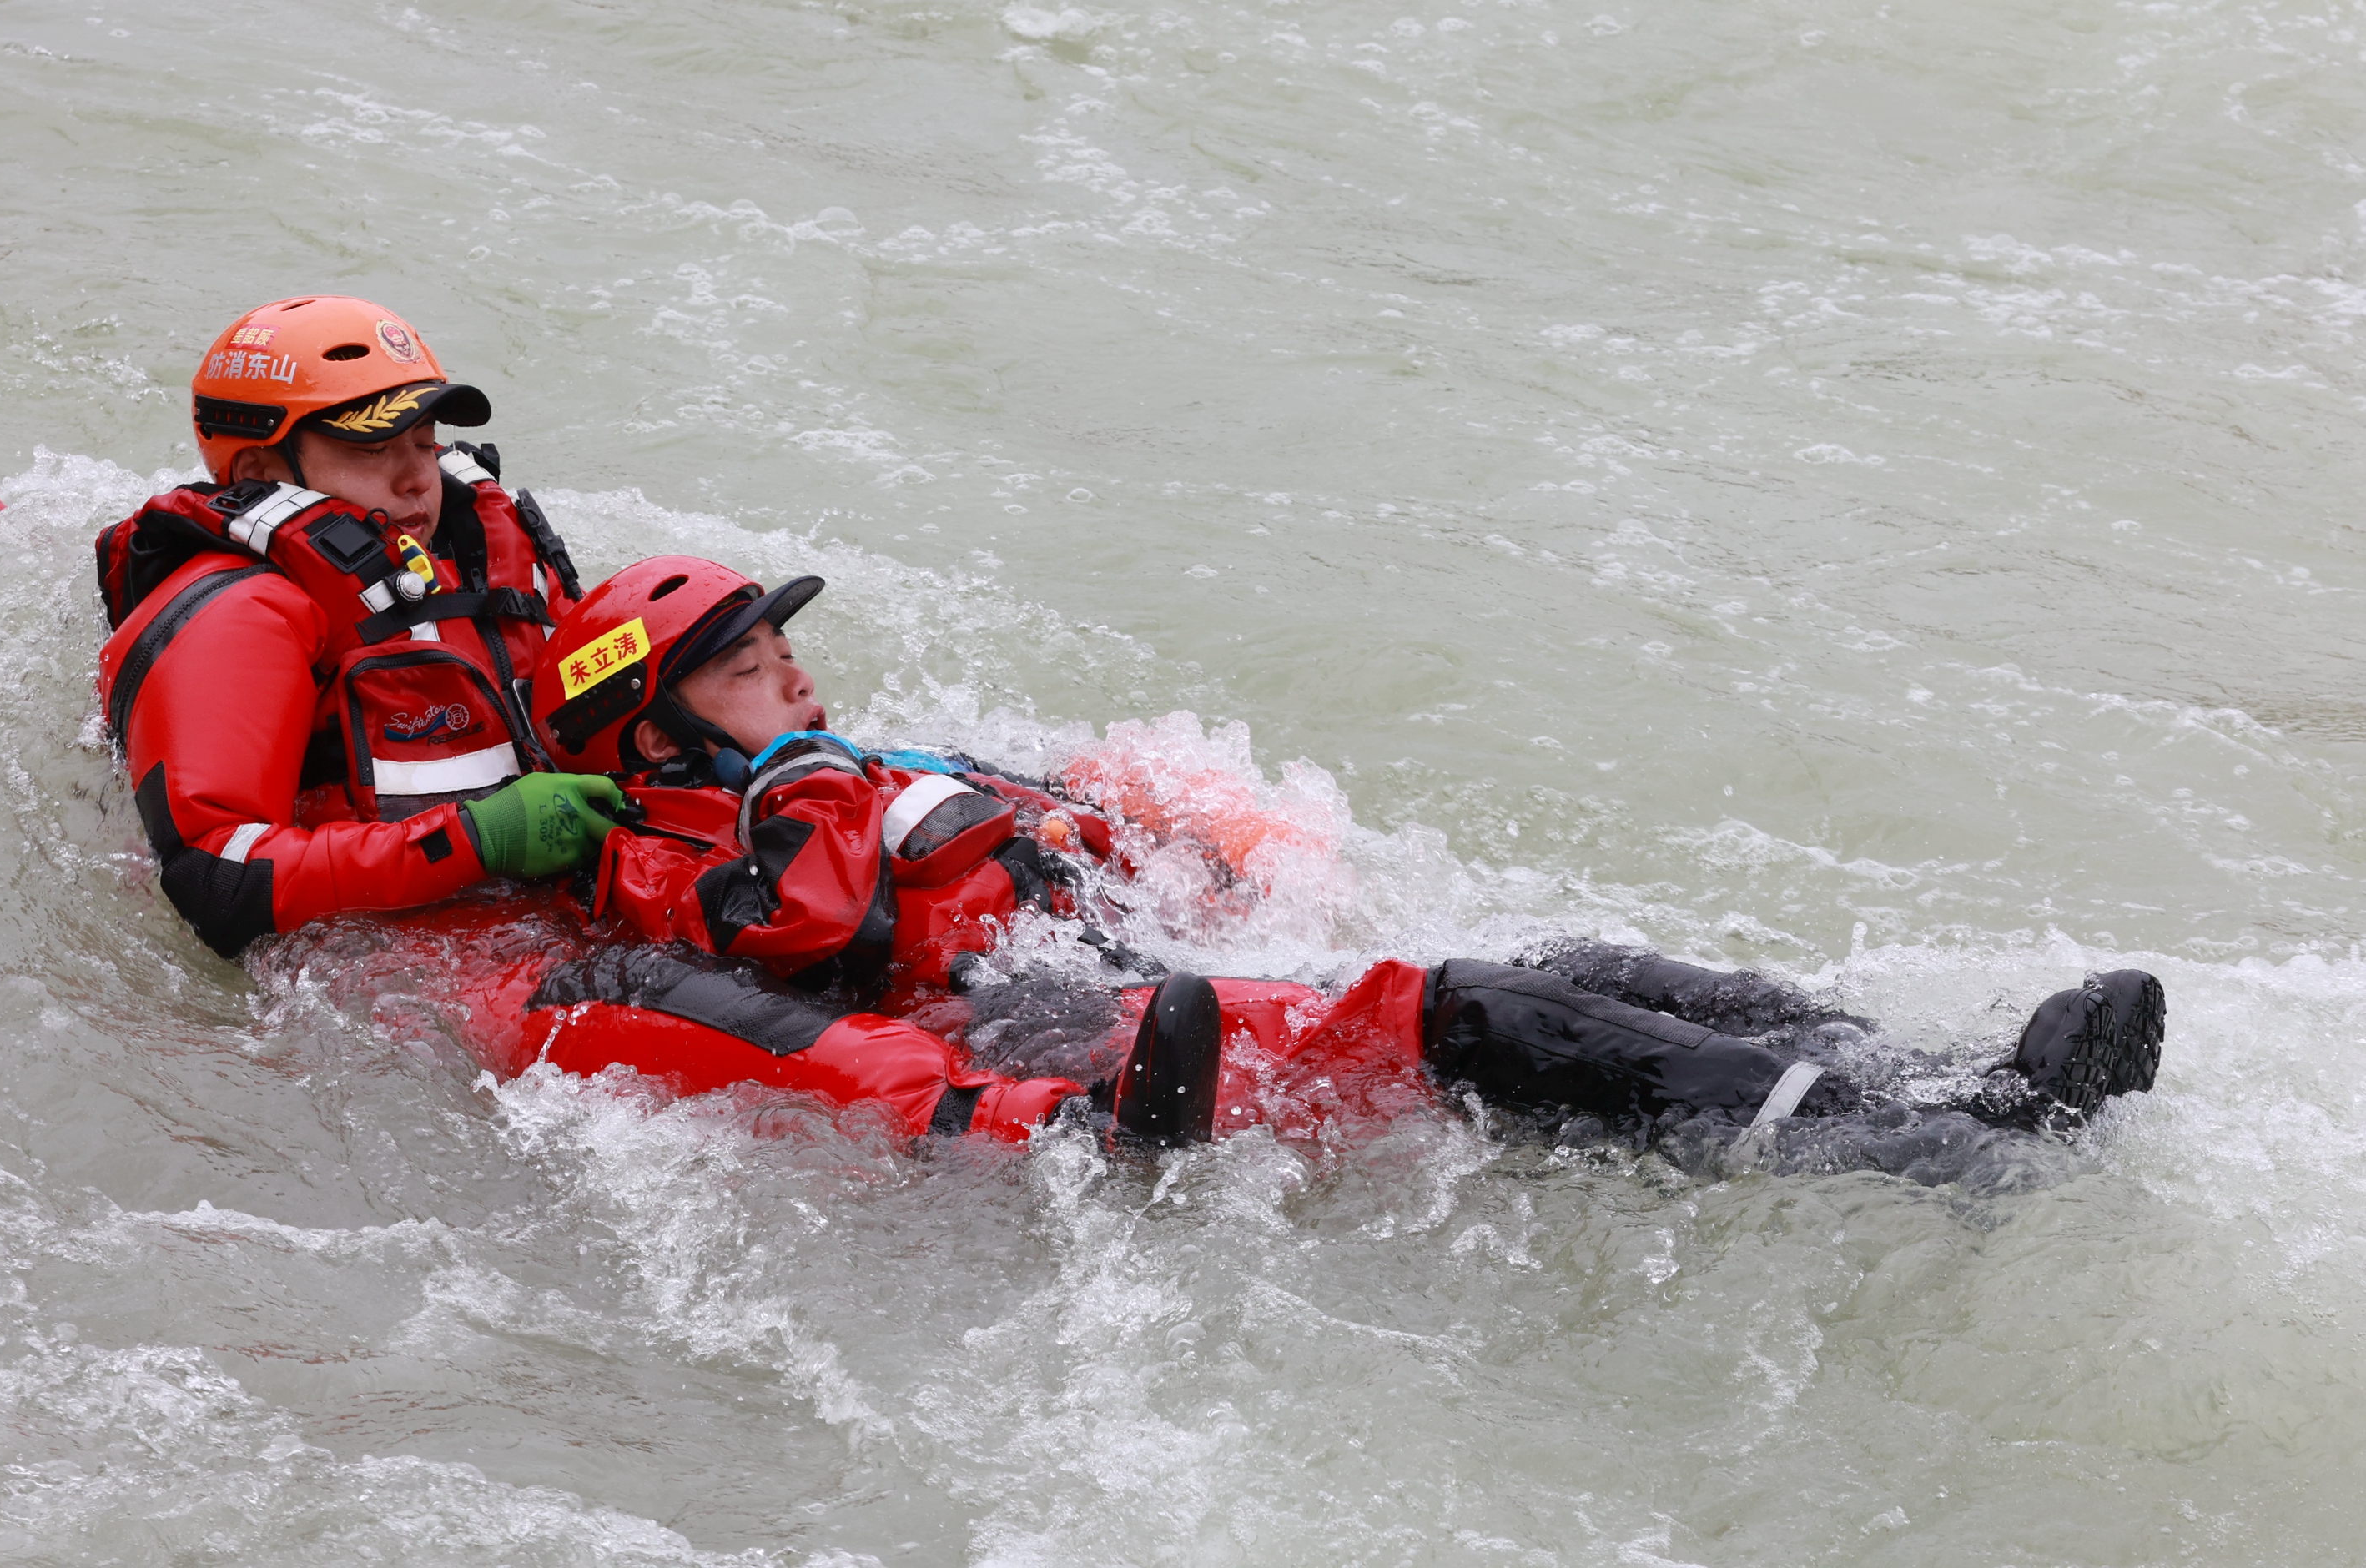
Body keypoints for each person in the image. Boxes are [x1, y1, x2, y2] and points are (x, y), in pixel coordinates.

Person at [451, 556, 2165, 1174]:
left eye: (784, 655)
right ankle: (1943, 1151)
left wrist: (1205, 851)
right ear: (658, 728)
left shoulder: (833, 767)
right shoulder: (677, 857)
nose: (798, 681)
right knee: (1473, 1010)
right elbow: (812, 955)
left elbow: (1061, 822)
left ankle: (1925, 1068)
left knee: (1581, 960)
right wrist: (1046, 1107)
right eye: (751, 669)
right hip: (1060, 1030)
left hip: (1114, 955)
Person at [93, 296, 627, 957]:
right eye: (373, 449)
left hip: (560, 913)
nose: (417, 480)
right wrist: (478, 840)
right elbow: (212, 880)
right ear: (260, 472)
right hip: (399, 964)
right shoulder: (242, 613)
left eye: (425, 443)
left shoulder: (481, 562)